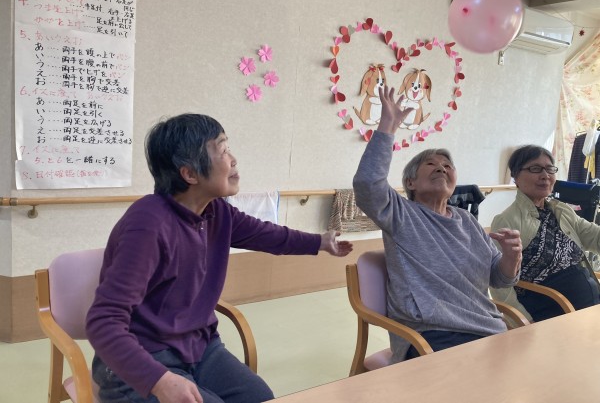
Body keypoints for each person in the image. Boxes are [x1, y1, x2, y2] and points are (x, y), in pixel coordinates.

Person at [86, 113, 353, 403]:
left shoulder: (216, 212)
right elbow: (103, 322)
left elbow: (268, 235)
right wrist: (159, 381)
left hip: (198, 347)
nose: (234, 160)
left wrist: (320, 242)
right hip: (140, 361)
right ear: (190, 174)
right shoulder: (148, 224)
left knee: (260, 396)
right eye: (223, 150)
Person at [353, 86, 522, 362]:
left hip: (489, 328)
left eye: (447, 165)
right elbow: (367, 184)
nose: (442, 167)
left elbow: (499, 278)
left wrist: (511, 257)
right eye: (431, 164)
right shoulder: (402, 214)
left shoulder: (468, 221)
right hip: (432, 335)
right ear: (411, 182)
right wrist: (387, 128)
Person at [490, 145, 600, 322]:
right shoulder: (507, 220)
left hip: (587, 308)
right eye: (535, 169)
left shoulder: (560, 210)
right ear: (516, 177)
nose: (545, 175)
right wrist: (524, 323)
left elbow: (593, 236)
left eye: (550, 169)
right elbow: (499, 285)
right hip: (552, 315)